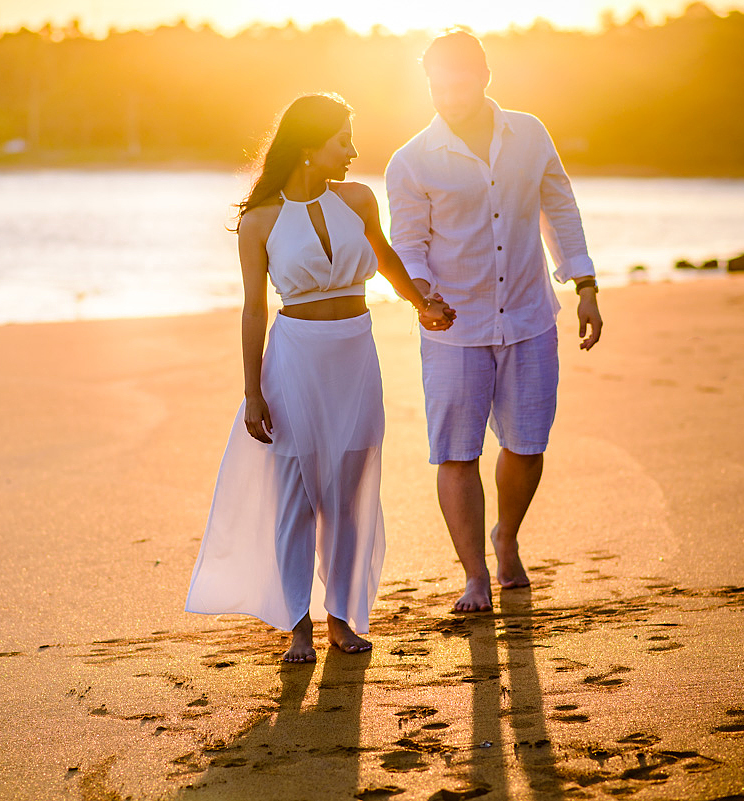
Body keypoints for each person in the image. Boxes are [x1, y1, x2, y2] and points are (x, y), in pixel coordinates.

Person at [185, 94, 457, 663]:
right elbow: (253, 310)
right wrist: (252, 391)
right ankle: (297, 626)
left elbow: (385, 258)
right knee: (296, 498)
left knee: (348, 496)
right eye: (343, 140)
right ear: (310, 145)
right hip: (295, 360)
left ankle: (340, 617)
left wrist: (422, 304)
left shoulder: (358, 200)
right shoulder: (259, 221)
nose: (353, 151)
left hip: (355, 356)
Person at [385, 30, 603, 613]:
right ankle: (475, 574)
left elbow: (560, 208)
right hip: (453, 329)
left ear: (484, 76)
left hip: (530, 317)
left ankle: (506, 535)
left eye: (459, 84)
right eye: (437, 87)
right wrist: (423, 297)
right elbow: (408, 245)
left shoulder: (530, 134)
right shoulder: (411, 160)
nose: (449, 97)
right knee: (456, 453)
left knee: (527, 445)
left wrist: (584, 284)